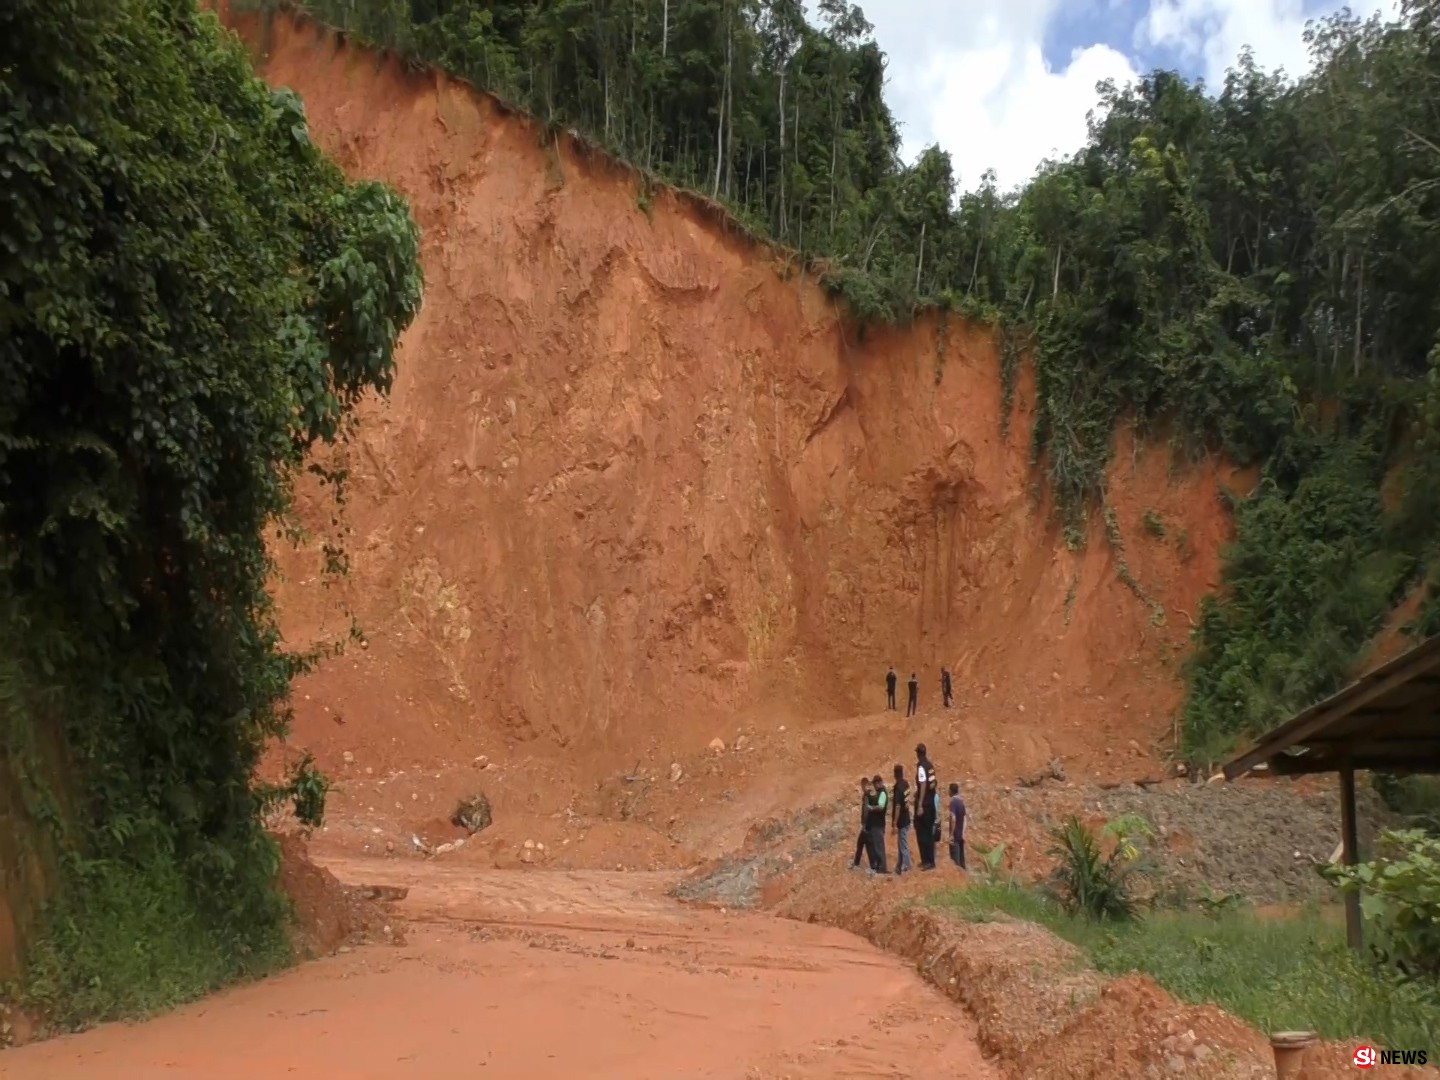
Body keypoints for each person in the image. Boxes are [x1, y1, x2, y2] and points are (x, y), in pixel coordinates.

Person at [913, 743, 937, 870]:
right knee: (928, 833)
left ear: (918, 754)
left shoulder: (922, 766)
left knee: (922, 833)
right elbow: (933, 784)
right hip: (931, 803)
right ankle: (929, 860)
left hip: (925, 805)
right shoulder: (930, 766)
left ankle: (927, 861)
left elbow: (923, 784)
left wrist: (920, 804)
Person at [864, 775, 889, 874]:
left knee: (879, 846)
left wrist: (871, 808)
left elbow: (881, 807)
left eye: (875, 784)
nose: (874, 786)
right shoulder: (879, 793)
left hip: (878, 824)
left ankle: (882, 868)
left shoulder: (882, 793)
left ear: (878, 783)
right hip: (876, 824)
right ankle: (879, 867)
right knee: (876, 846)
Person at [891, 763, 912, 874]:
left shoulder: (898, 787)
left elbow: (898, 806)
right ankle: (899, 865)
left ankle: (907, 865)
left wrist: (894, 823)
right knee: (901, 843)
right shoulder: (906, 784)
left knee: (903, 843)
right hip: (907, 817)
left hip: (902, 820)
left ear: (895, 774)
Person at [850, 777, 872, 870]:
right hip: (868, 824)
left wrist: (864, 824)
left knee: (864, 844)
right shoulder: (869, 794)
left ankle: (858, 863)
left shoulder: (866, 796)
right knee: (863, 844)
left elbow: (866, 810)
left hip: (866, 825)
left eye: (862, 786)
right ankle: (857, 862)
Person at [948, 782, 967, 869]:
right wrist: (963, 832)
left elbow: (953, 818)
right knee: (962, 860)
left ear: (951, 791)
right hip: (961, 835)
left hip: (955, 835)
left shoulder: (953, 802)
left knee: (956, 861)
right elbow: (965, 818)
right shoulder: (961, 802)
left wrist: (951, 834)